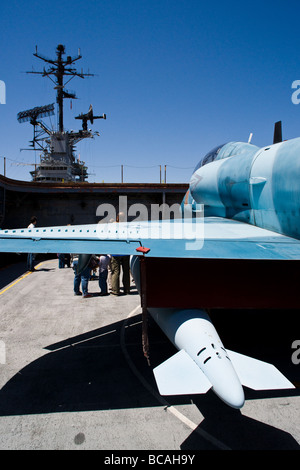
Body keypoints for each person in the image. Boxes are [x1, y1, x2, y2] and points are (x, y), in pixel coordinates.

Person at [110, 212, 131, 296]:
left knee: (116, 272)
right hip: (125, 251)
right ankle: (127, 290)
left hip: (115, 252)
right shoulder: (127, 226)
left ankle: (116, 290)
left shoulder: (113, 226)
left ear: (117, 217)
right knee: (126, 271)